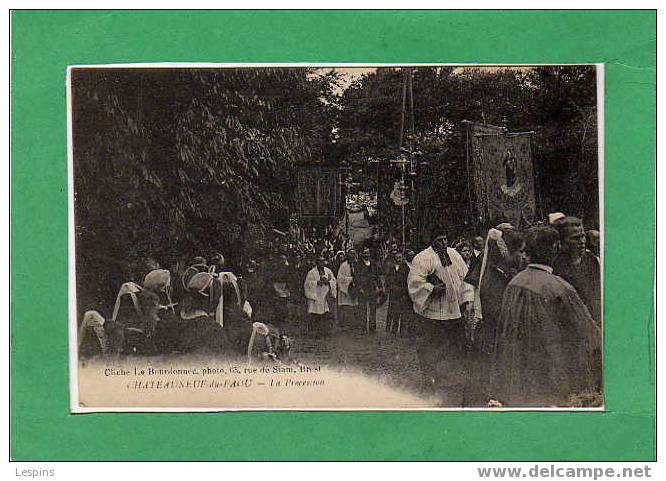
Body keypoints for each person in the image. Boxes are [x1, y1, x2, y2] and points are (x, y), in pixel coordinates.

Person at [492, 226, 601, 407]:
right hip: (550, 377)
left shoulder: (513, 282)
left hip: (517, 376)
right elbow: (591, 336)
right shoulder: (559, 288)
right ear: (556, 248)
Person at [407, 228, 475, 405]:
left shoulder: (454, 254)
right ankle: (430, 378)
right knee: (432, 348)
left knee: (455, 346)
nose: (443, 243)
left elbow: (465, 278)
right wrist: (431, 289)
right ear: (431, 242)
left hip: (454, 311)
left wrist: (467, 299)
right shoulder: (422, 259)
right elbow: (414, 283)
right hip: (433, 314)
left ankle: (452, 378)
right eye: (439, 240)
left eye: (445, 239)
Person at [464, 225, 526, 404]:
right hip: (494, 337)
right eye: (519, 252)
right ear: (505, 253)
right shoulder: (494, 279)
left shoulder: (502, 271)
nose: (522, 257)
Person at [552, 216, 602, 327]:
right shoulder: (555, 266)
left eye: (582, 236)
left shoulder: (591, 260)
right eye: (575, 238)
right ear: (562, 241)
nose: (582, 241)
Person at [304, 254, 337, 337]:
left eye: (322, 261)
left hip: (325, 295)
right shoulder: (311, 272)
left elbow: (334, 281)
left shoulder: (328, 271)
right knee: (316, 314)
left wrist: (328, 282)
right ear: (316, 263)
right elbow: (307, 284)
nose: (321, 263)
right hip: (316, 295)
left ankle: (326, 331)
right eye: (319, 262)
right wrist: (316, 283)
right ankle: (316, 332)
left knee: (326, 313)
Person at [355, 246, 385, 334]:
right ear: (362, 254)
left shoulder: (373, 263)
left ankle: (372, 327)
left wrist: (380, 287)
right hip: (363, 289)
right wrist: (360, 288)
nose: (366, 255)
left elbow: (377, 276)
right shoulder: (358, 265)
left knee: (373, 308)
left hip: (372, 288)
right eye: (365, 253)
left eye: (368, 253)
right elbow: (357, 277)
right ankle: (363, 328)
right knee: (362, 309)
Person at [384, 250, 412, 335]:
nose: (398, 259)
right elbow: (388, 280)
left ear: (402, 258)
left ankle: (402, 331)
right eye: (397, 258)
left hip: (402, 293)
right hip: (393, 293)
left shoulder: (406, 268)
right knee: (394, 312)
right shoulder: (392, 268)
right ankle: (394, 330)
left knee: (403, 312)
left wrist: (405, 290)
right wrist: (389, 288)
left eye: (400, 257)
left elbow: (408, 280)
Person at [336, 249, 363, 332]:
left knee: (356, 306)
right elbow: (339, 278)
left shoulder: (358, 265)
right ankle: (347, 324)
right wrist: (350, 279)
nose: (352, 255)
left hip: (355, 288)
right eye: (350, 254)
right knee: (347, 307)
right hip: (346, 289)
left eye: (354, 253)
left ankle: (355, 324)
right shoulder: (344, 265)